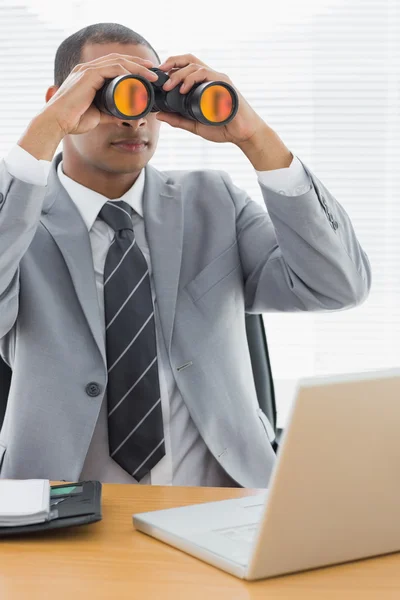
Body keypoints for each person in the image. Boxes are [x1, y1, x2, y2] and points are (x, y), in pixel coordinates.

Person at [0, 23, 371, 488]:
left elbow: (337, 286)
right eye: (109, 94)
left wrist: (256, 138)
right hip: (61, 512)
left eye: (148, 98)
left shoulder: (212, 201)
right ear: (61, 97)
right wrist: (47, 127)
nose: (134, 119)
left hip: (220, 504)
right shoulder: (19, 217)